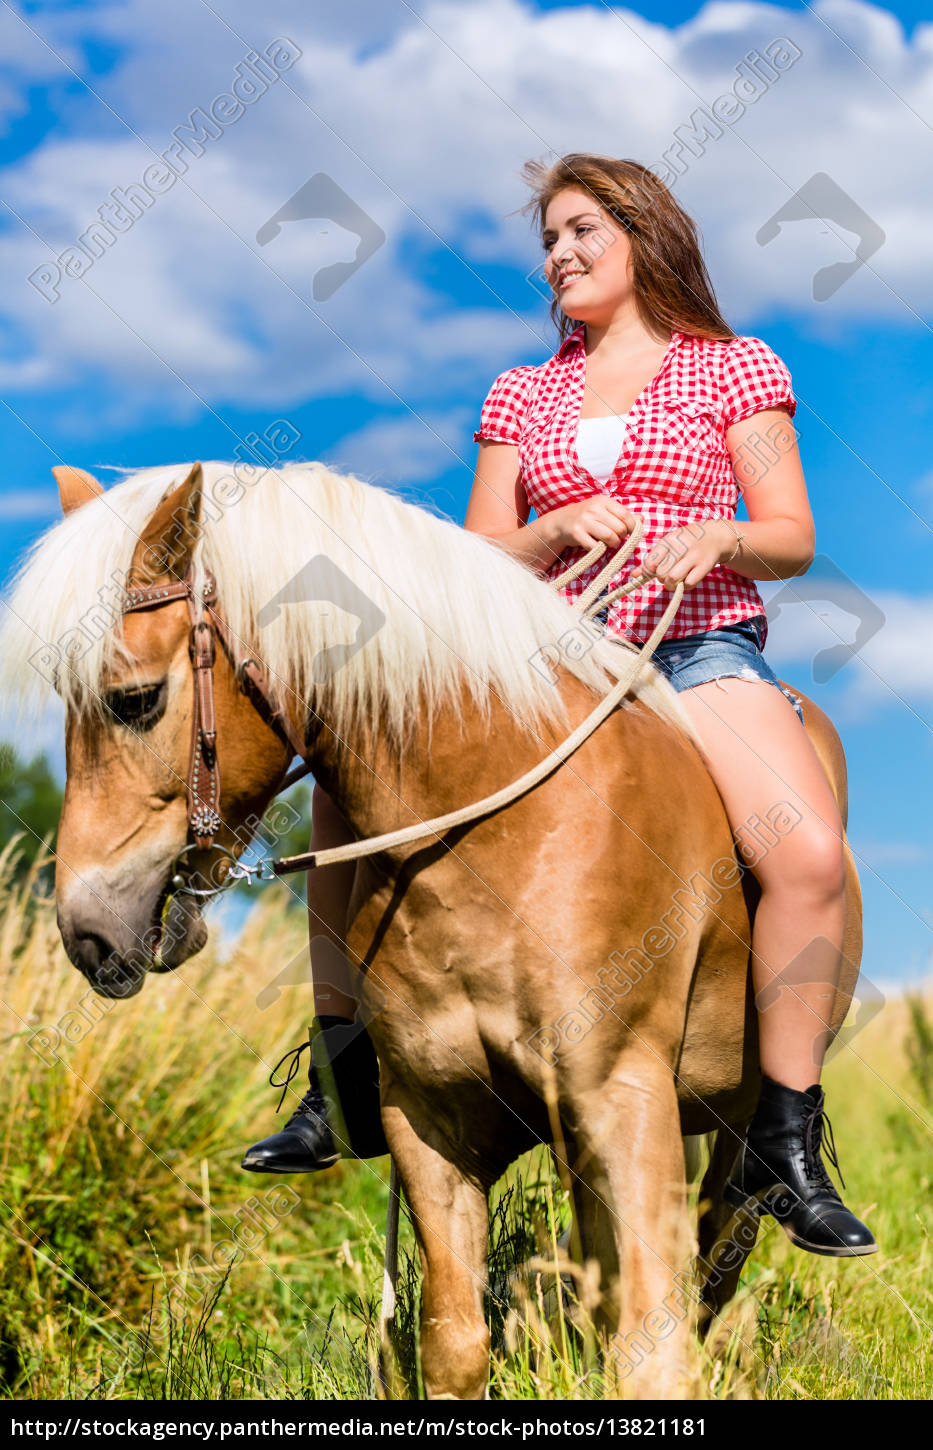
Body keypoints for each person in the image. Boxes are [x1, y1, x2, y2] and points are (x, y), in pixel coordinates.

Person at [242, 153, 876, 1259]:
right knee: (351, 794)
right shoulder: (519, 392)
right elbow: (482, 547)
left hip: (691, 643)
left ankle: (786, 1137)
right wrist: (541, 535)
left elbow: (791, 532)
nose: (560, 254)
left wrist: (717, 534)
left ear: (645, 235)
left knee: (811, 850)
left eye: (583, 229)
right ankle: (338, 1073)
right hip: (538, 653)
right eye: (550, 240)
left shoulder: (737, 368)